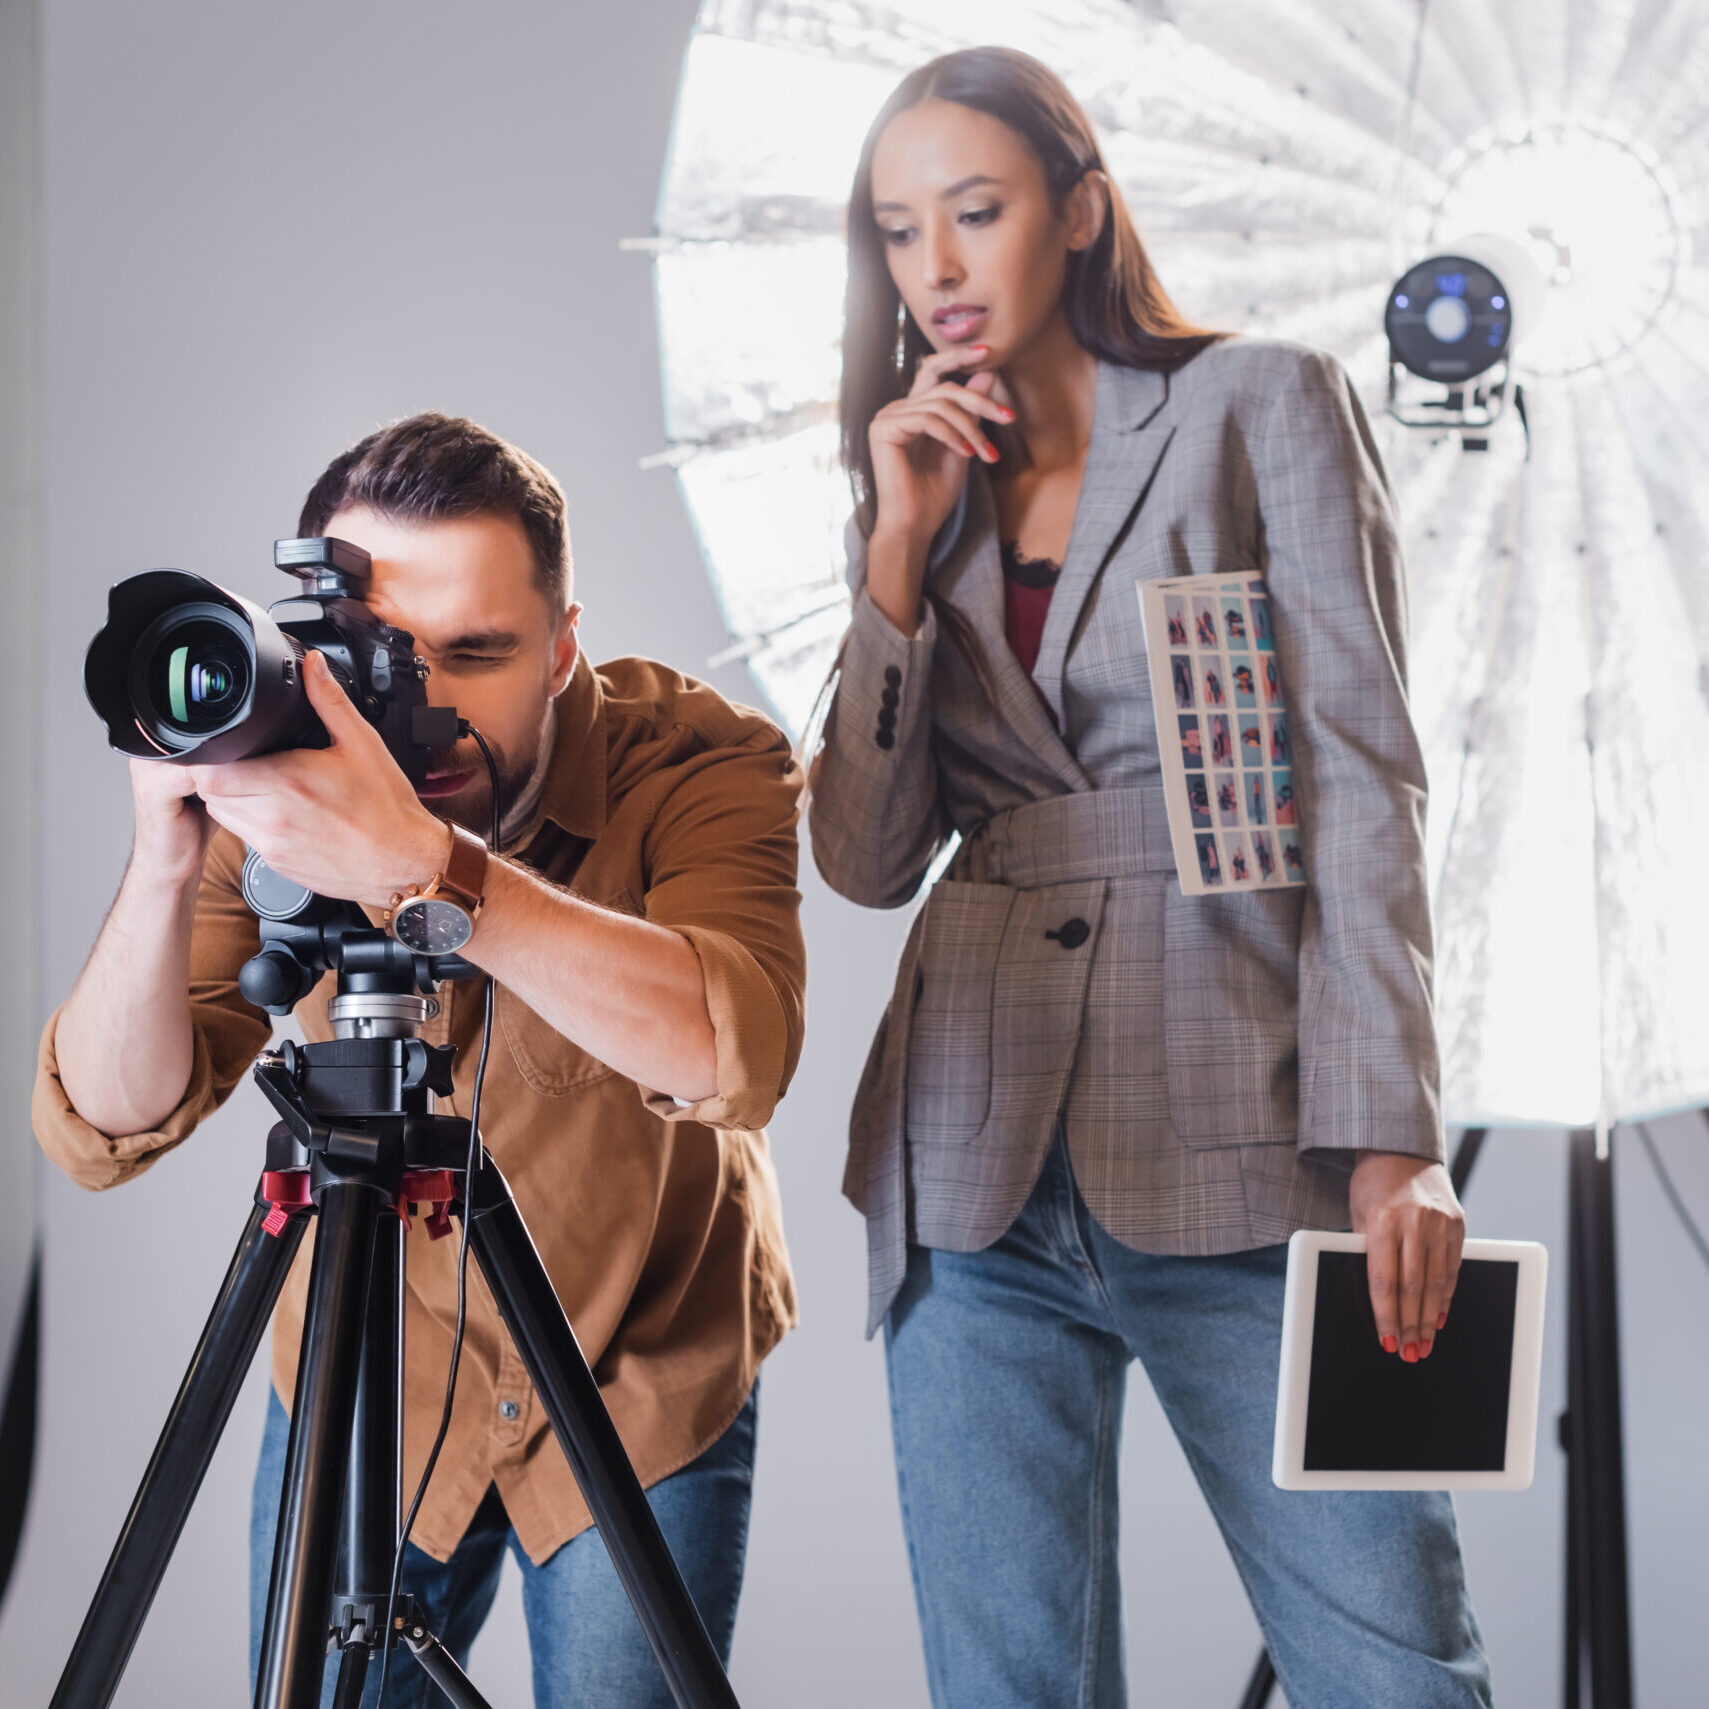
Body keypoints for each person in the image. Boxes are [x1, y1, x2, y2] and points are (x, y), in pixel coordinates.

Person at [806, 45, 1488, 1709]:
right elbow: (866, 857)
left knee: (1396, 1672)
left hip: (1249, 1128)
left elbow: (1359, 775)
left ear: (1081, 212)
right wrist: (894, 560)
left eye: (976, 211)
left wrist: (1393, 1141)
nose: (938, 269)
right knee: (1007, 1692)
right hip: (966, 1167)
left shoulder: (1262, 401)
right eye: (900, 233)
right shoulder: (912, 484)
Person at [34, 414, 806, 1708]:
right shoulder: (284, 783)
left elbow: (735, 1050)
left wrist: (427, 868)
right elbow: (104, 1124)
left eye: (478, 651)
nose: (429, 701)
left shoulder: (702, 759)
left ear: (563, 648)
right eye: (390, 653)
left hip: (640, 1371)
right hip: (368, 1376)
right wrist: (167, 852)